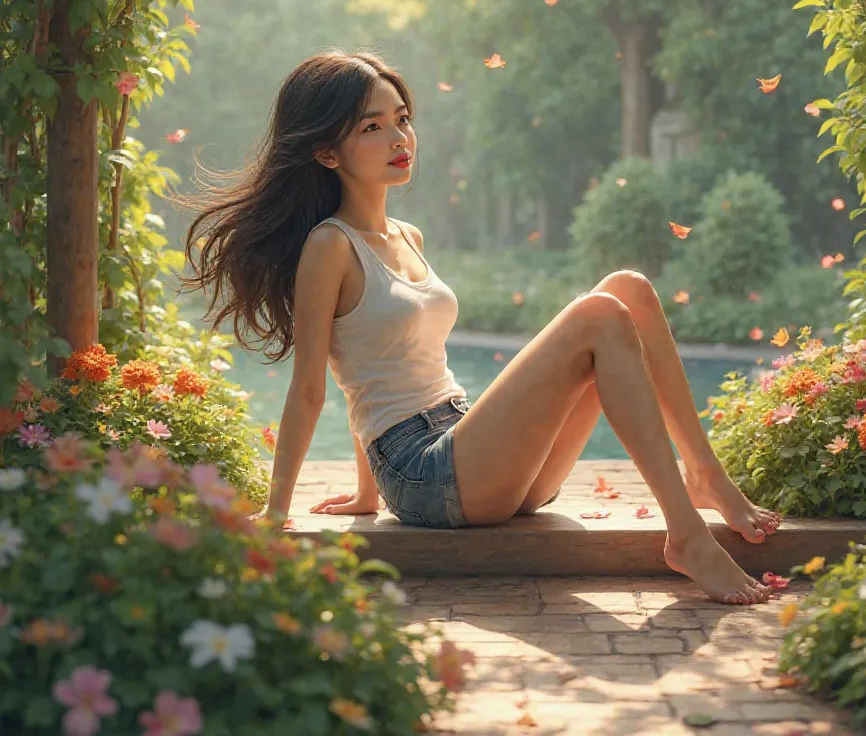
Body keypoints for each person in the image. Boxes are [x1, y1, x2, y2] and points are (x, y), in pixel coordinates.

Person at [178, 50, 780, 605]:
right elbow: (315, 384)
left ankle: (703, 474)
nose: (399, 138)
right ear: (326, 153)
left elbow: (380, 359)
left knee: (630, 290)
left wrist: (363, 495)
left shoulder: (407, 237)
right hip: (426, 473)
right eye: (371, 127)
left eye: (402, 118)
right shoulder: (327, 247)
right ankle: (688, 536)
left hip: (476, 452)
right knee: (599, 315)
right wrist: (277, 509)